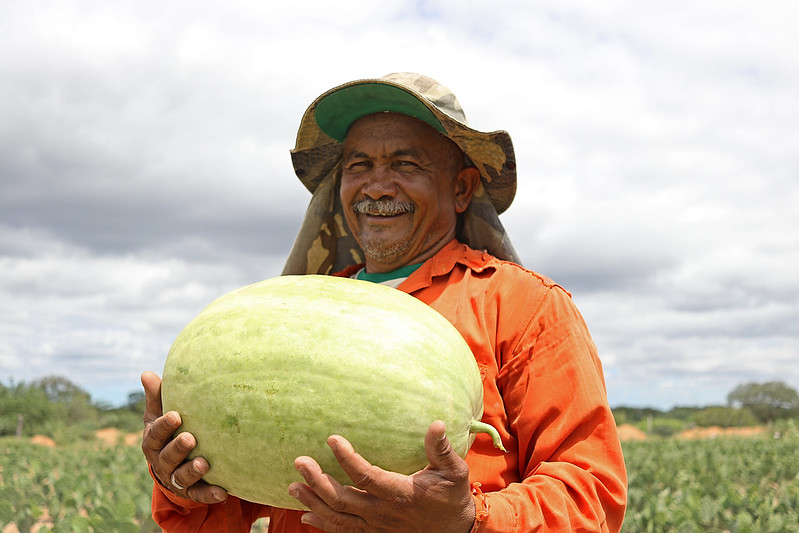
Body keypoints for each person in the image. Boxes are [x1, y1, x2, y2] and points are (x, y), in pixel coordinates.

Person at [141, 72, 628, 532]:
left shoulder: (526, 306)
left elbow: (594, 498)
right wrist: (182, 482)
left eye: (405, 163)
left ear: (460, 188)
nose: (377, 185)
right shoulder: (298, 311)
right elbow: (217, 515)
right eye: (360, 165)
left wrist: (467, 520)